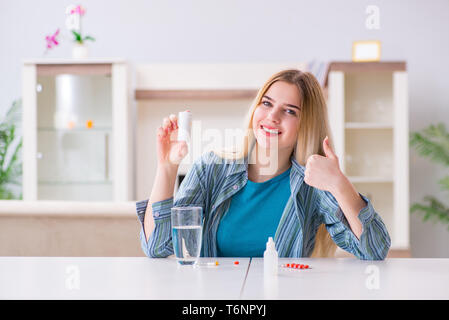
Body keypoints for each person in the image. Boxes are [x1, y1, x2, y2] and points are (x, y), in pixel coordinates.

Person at [136, 69, 391, 260]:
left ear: (307, 124)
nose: (272, 117)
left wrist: (339, 184)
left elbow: (375, 249)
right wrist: (167, 167)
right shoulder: (210, 169)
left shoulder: (312, 185)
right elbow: (157, 247)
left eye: (290, 111)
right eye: (266, 103)